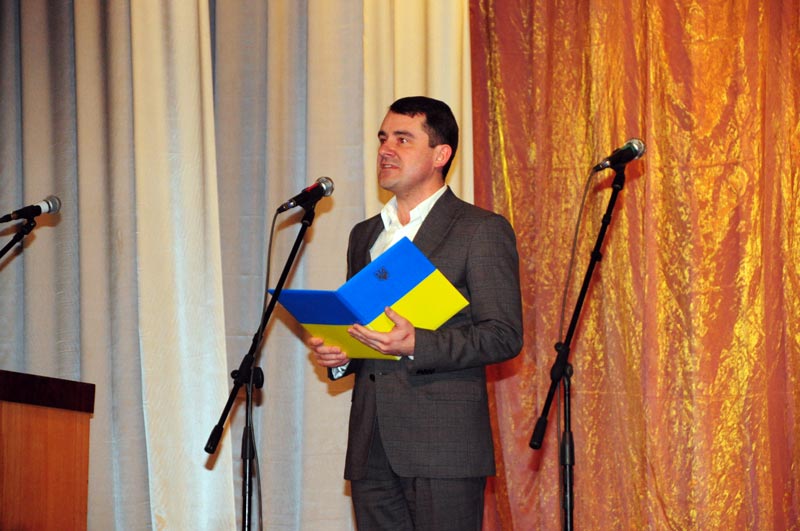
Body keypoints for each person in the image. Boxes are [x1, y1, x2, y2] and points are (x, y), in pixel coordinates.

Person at [309, 96, 523, 530]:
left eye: (403, 139)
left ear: (440, 155)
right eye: (383, 138)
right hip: (371, 445)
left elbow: (503, 334)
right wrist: (342, 354)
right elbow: (364, 328)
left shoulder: (479, 229)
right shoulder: (365, 235)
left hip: (443, 446)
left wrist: (416, 343)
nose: (386, 149)